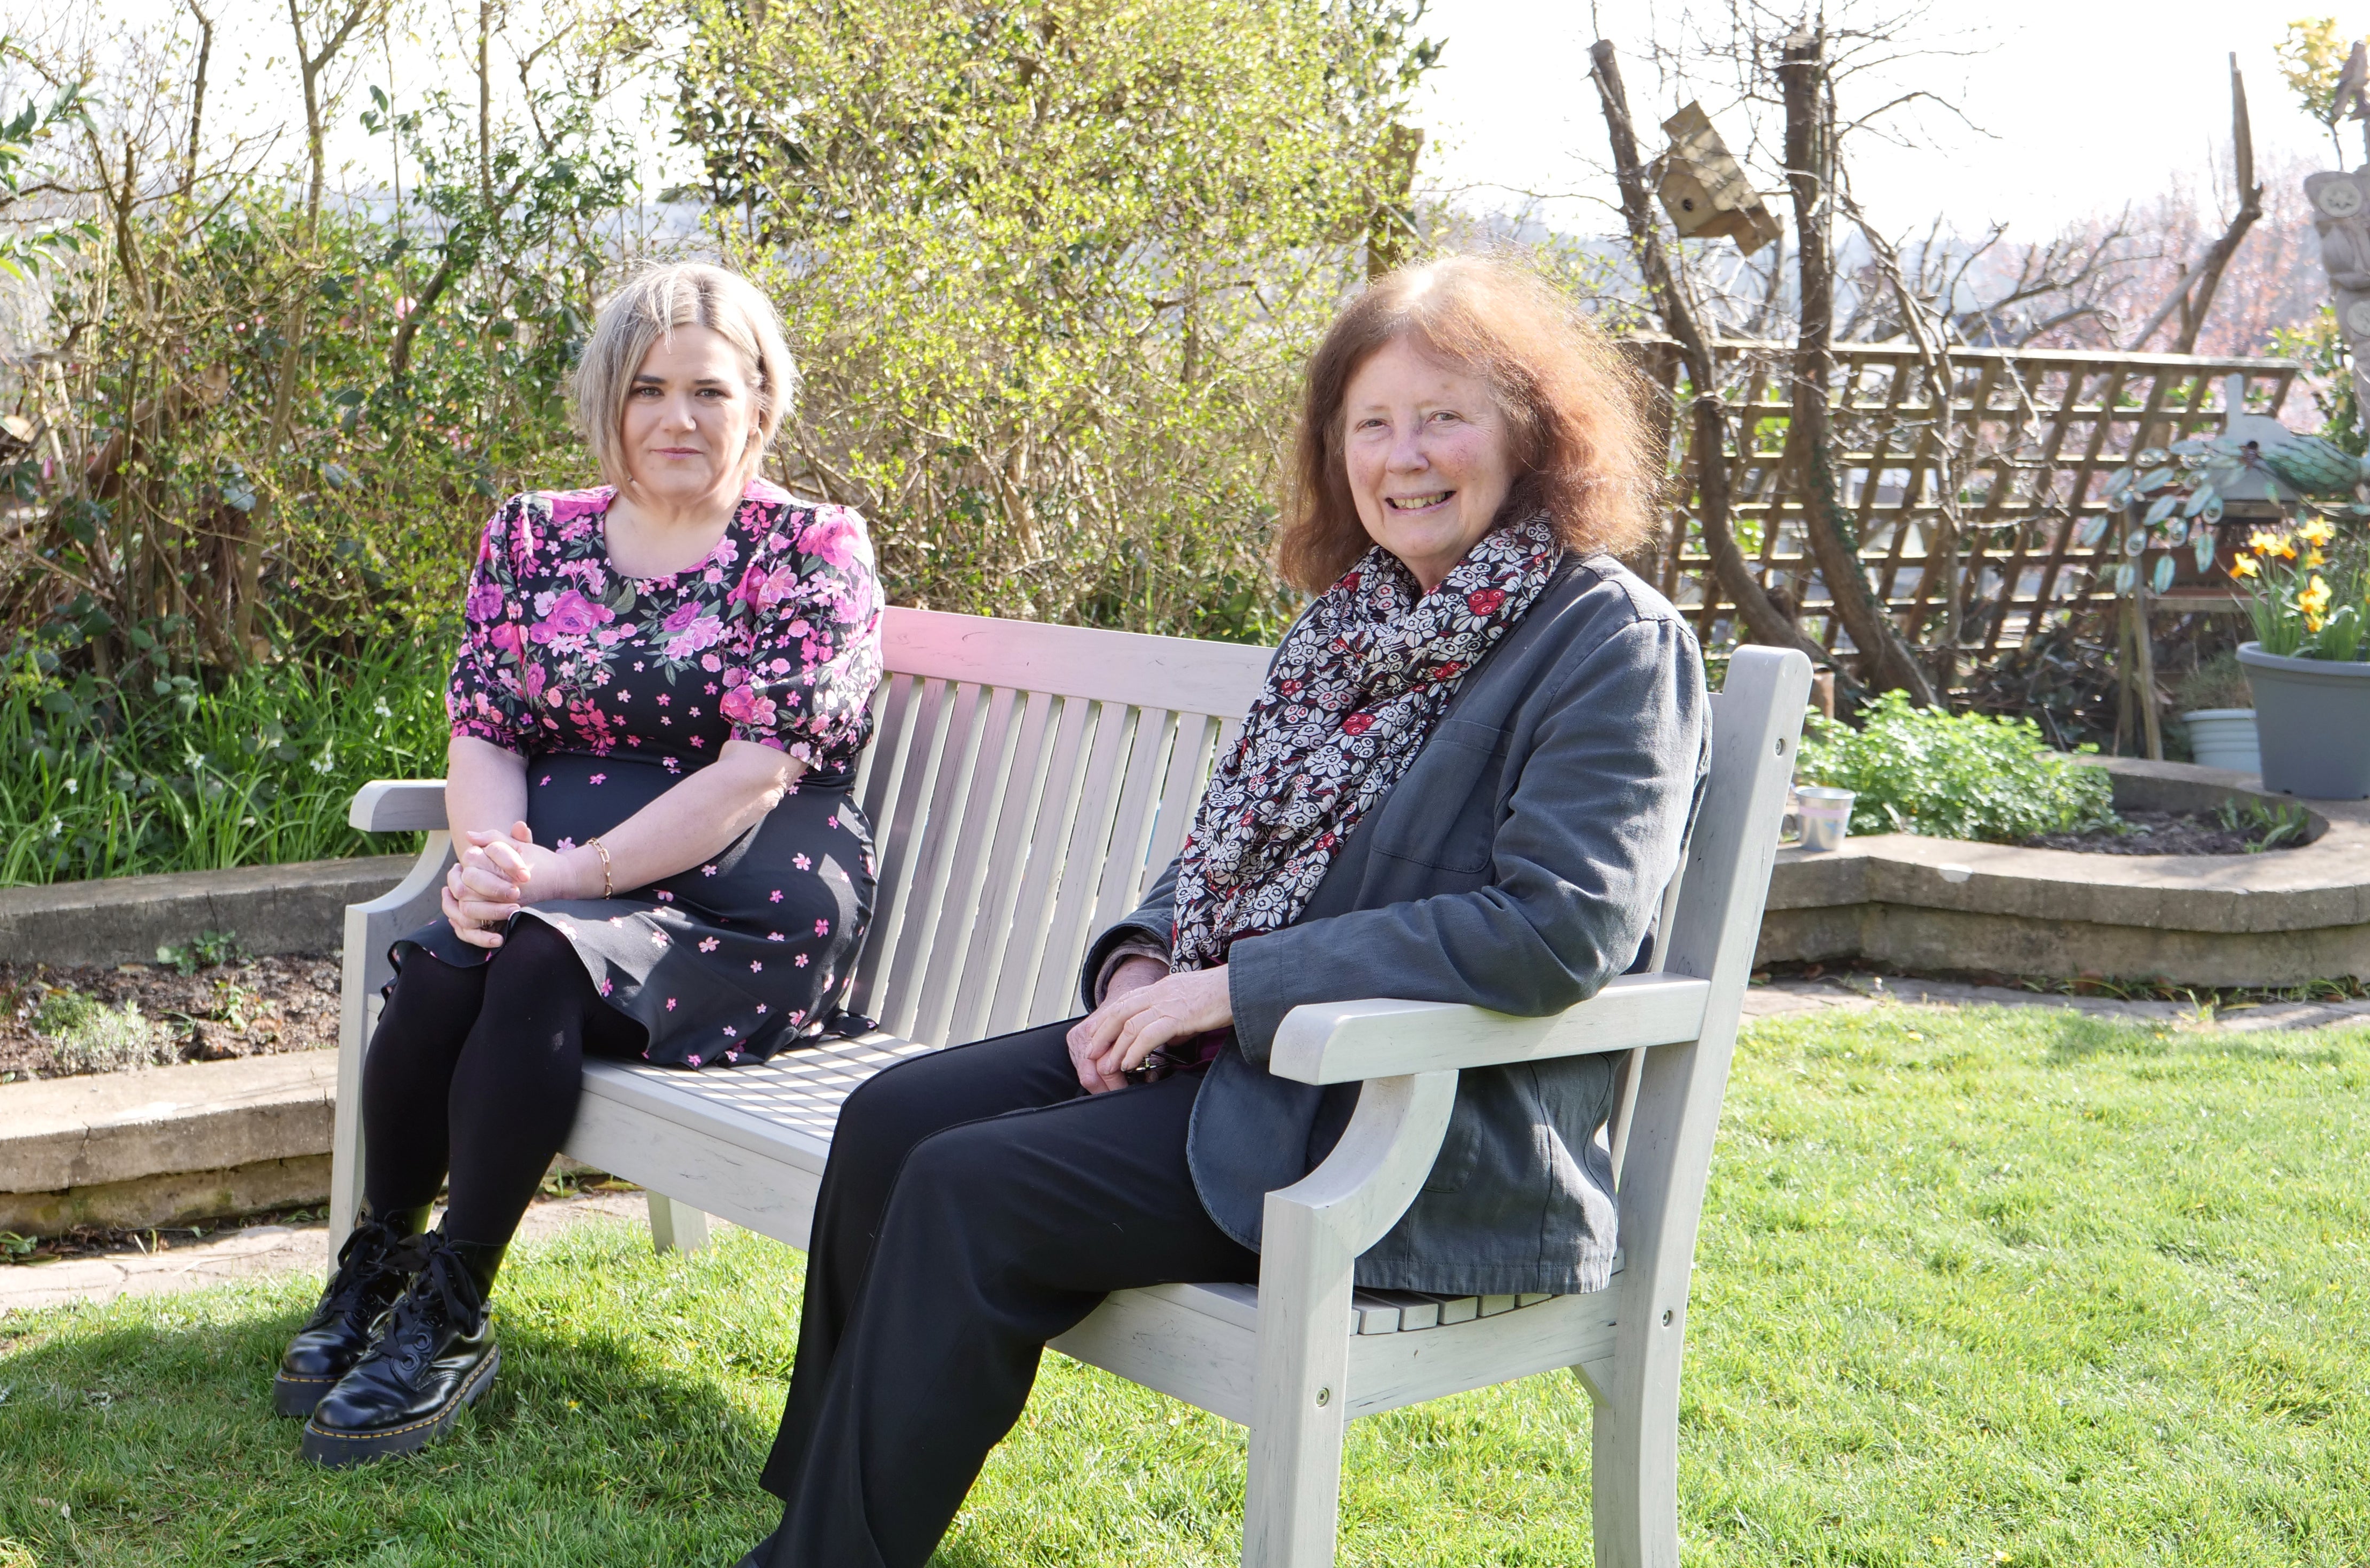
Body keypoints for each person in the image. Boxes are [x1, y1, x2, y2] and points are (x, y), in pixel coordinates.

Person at [738, 253, 1708, 1567]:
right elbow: (1219, 859)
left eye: (1444, 416)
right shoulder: (1350, 624)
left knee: (969, 1185)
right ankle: (825, 1512)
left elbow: (1559, 928)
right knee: (891, 1115)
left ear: (1531, 433)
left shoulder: (1606, 640)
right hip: (1234, 1058)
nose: (1404, 455)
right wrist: (1145, 964)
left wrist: (1240, 986)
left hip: (1405, 1123)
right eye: (1371, 423)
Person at [278, 262, 885, 1468]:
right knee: (452, 956)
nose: (678, 418)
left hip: (742, 887)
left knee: (543, 953)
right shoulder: (533, 535)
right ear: (609, 401)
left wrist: (566, 875)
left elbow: (756, 772)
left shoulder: (812, 546)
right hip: (558, 871)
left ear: (761, 401)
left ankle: (452, 1305)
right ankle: (382, 1260)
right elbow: (487, 727)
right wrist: (495, 858)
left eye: (710, 390)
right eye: (649, 388)